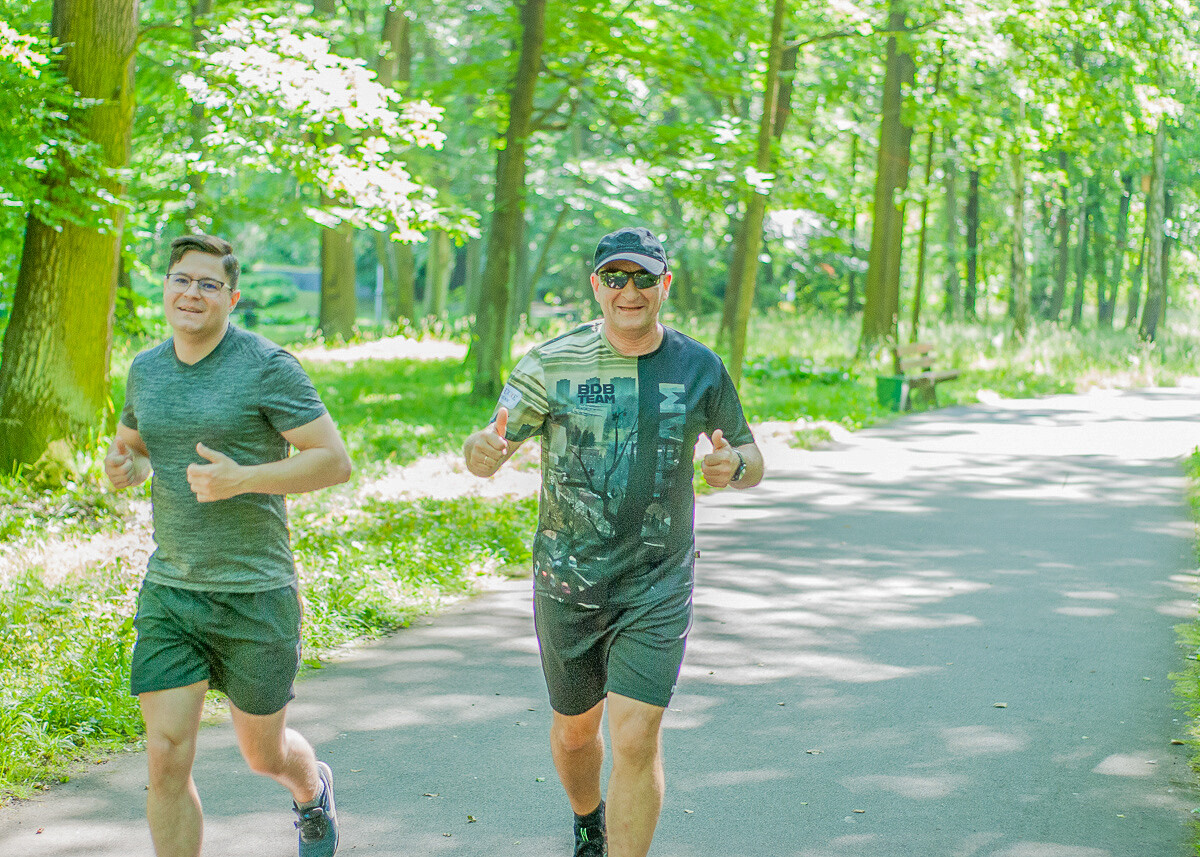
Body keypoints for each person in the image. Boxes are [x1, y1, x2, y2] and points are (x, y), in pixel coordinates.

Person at [463, 226, 764, 857]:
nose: (630, 291)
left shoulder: (698, 366)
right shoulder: (550, 362)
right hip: (569, 580)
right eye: (617, 278)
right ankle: (587, 818)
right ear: (597, 286)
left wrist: (733, 466)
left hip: (658, 578)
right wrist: (481, 454)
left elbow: (750, 454)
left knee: (636, 736)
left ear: (664, 286)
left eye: (644, 278)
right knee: (577, 735)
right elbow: (488, 443)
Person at [104, 234, 352, 857]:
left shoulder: (267, 367)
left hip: (255, 593)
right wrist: (125, 467)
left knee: (262, 753)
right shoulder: (147, 368)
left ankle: (310, 788)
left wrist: (242, 478)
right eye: (181, 279)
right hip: (173, 592)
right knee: (165, 756)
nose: (192, 293)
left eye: (208, 284)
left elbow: (334, 462)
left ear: (231, 298)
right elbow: (133, 443)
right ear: (166, 287)